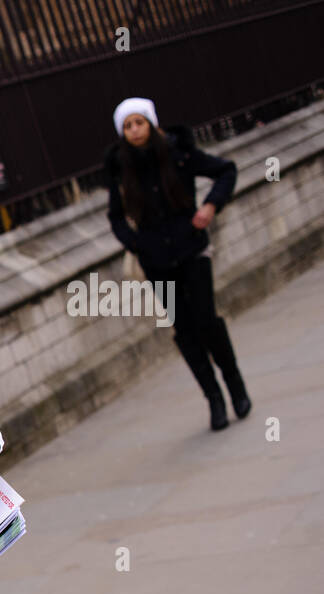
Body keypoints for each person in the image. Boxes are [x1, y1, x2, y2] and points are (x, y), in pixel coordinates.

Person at [104, 96, 250, 431]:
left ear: (152, 123)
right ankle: (213, 398)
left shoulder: (178, 152)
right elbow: (115, 217)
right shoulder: (120, 168)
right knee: (183, 330)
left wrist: (210, 206)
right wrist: (136, 243)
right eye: (127, 126)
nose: (134, 130)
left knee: (206, 320)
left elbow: (225, 171)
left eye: (139, 122)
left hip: (192, 250)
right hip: (156, 262)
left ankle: (235, 385)